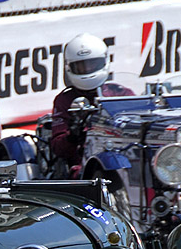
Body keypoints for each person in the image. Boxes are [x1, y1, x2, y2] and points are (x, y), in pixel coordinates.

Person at [50, 33, 133, 172]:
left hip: (126, 158)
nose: (88, 70)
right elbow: (58, 149)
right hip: (84, 166)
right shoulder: (65, 100)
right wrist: (73, 134)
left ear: (104, 62)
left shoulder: (120, 93)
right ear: (70, 67)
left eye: (93, 64)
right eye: (81, 66)